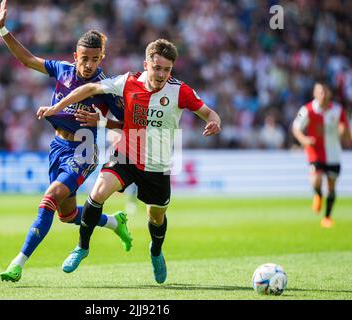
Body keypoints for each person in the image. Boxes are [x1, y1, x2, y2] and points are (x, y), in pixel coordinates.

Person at [37, 39, 221, 283]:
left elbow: (208, 112)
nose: (162, 74)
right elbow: (90, 89)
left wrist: (214, 122)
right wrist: (57, 107)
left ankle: (156, 251)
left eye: (167, 70)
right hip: (125, 155)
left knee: (155, 218)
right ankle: (82, 247)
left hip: (157, 164)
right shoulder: (128, 81)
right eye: (157, 68)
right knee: (98, 193)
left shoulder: (180, 91)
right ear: (147, 65)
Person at [0, 0, 132, 282]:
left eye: (95, 59)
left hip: (83, 148)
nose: (89, 64)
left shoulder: (105, 89)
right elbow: (28, 60)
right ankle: (113, 222)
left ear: (101, 58)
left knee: (50, 198)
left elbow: (131, 123)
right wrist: (3, 30)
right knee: (67, 215)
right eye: (84, 59)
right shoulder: (63, 69)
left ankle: (17, 263)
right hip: (57, 146)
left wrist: (101, 122)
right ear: (75, 55)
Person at [292, 82, 351, 228]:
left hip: (333, 153)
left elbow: (346, 130)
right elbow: (295, 127)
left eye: (325, 92)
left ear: (329, 93)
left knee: (331, 187)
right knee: (315, 180)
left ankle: (327, 217)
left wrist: (344, 133)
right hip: (315, 152)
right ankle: (318, 194)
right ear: (314, 94)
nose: (322, 95)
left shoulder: (338, 110)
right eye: (320, 92)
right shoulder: (305, 109)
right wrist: (303, 139)